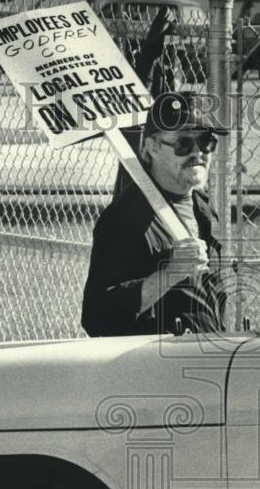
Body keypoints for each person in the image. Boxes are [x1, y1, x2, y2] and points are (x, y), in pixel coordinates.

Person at [82, 92, 228, 336]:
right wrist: (169, 274)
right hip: (156, 365)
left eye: (206, 142)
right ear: (153, 147)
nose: (198, 153)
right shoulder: (125, 218)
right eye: (183, 144)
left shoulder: (204, 209)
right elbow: (96, 317)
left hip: (205, 356)